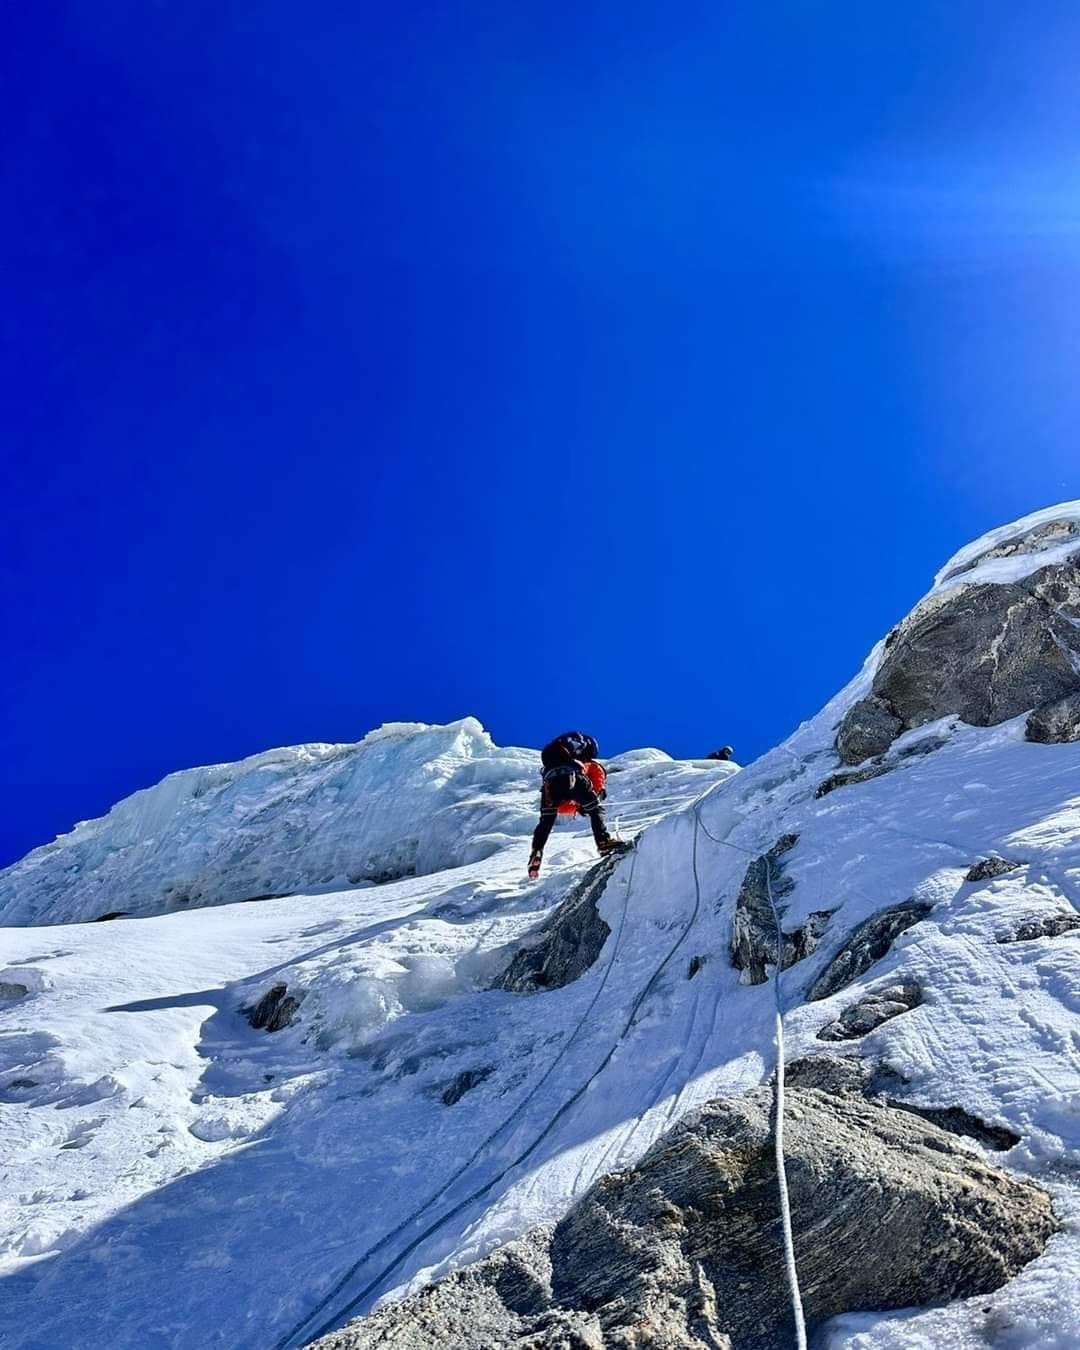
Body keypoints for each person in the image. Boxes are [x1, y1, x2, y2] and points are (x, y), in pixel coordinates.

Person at [528, 731, 618, 878]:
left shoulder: (554, 756)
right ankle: (603, 842)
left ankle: (536, 851)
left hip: (550, 785)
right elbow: (597, 788)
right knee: (596, 810)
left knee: (546, 821)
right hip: (573, 777)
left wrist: (576, 805)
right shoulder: (589, 763)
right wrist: (585, 804)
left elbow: (562, 809)